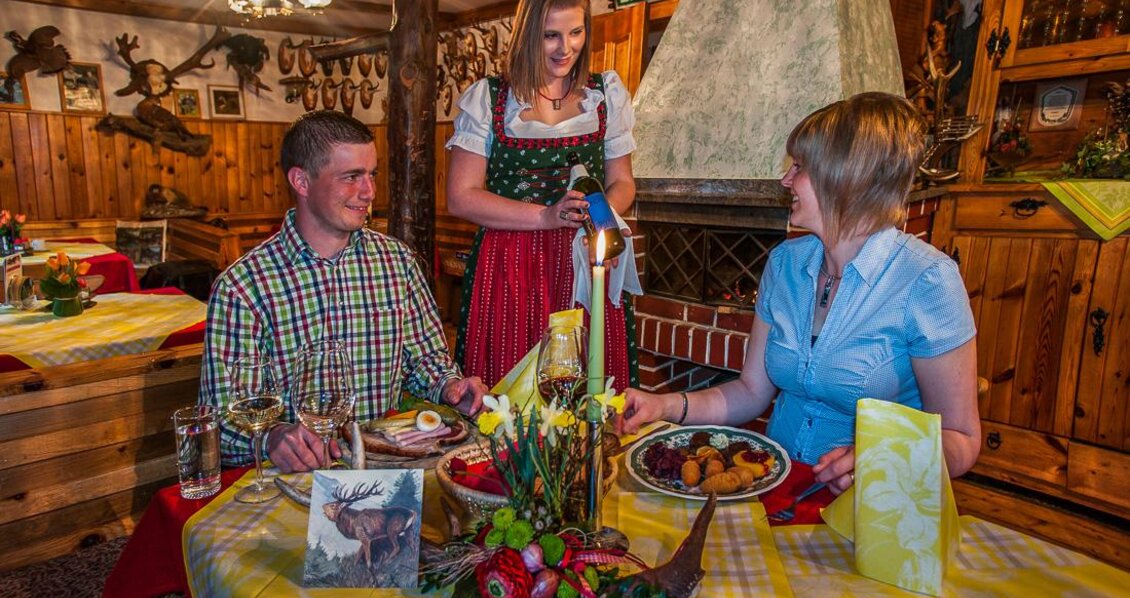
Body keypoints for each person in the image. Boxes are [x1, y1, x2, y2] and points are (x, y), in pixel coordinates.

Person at [619, 92, 981, 495]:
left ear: (847, 176)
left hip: (870, 506)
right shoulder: (785, 264)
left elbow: (961, 440)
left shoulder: (927, 281)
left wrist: (884, 457)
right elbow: (750, 392)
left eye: (800, 167)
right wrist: (664, 405)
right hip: (776, 486)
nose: (785, 180)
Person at [200, 110, 488, 472]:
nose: (369, 192)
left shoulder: (397, 261)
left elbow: (425, 360)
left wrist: (450, 387)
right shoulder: (243, 286)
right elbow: (224, 421)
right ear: (301, 181)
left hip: (384, 463)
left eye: (372, 175)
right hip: (295, 477)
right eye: (351, 177)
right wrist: (272, 437)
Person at [446, 0, 640, 392]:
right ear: (528, 35)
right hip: (510, 262)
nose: (565, 48)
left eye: (576, 32)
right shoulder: (490, 99)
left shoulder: (605, 95)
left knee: (587, 384)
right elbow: (461, 197)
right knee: (511, 386)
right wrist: (545, 216)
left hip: (584, 257)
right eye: (551, 35)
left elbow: (623, 183)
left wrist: (599, 224)